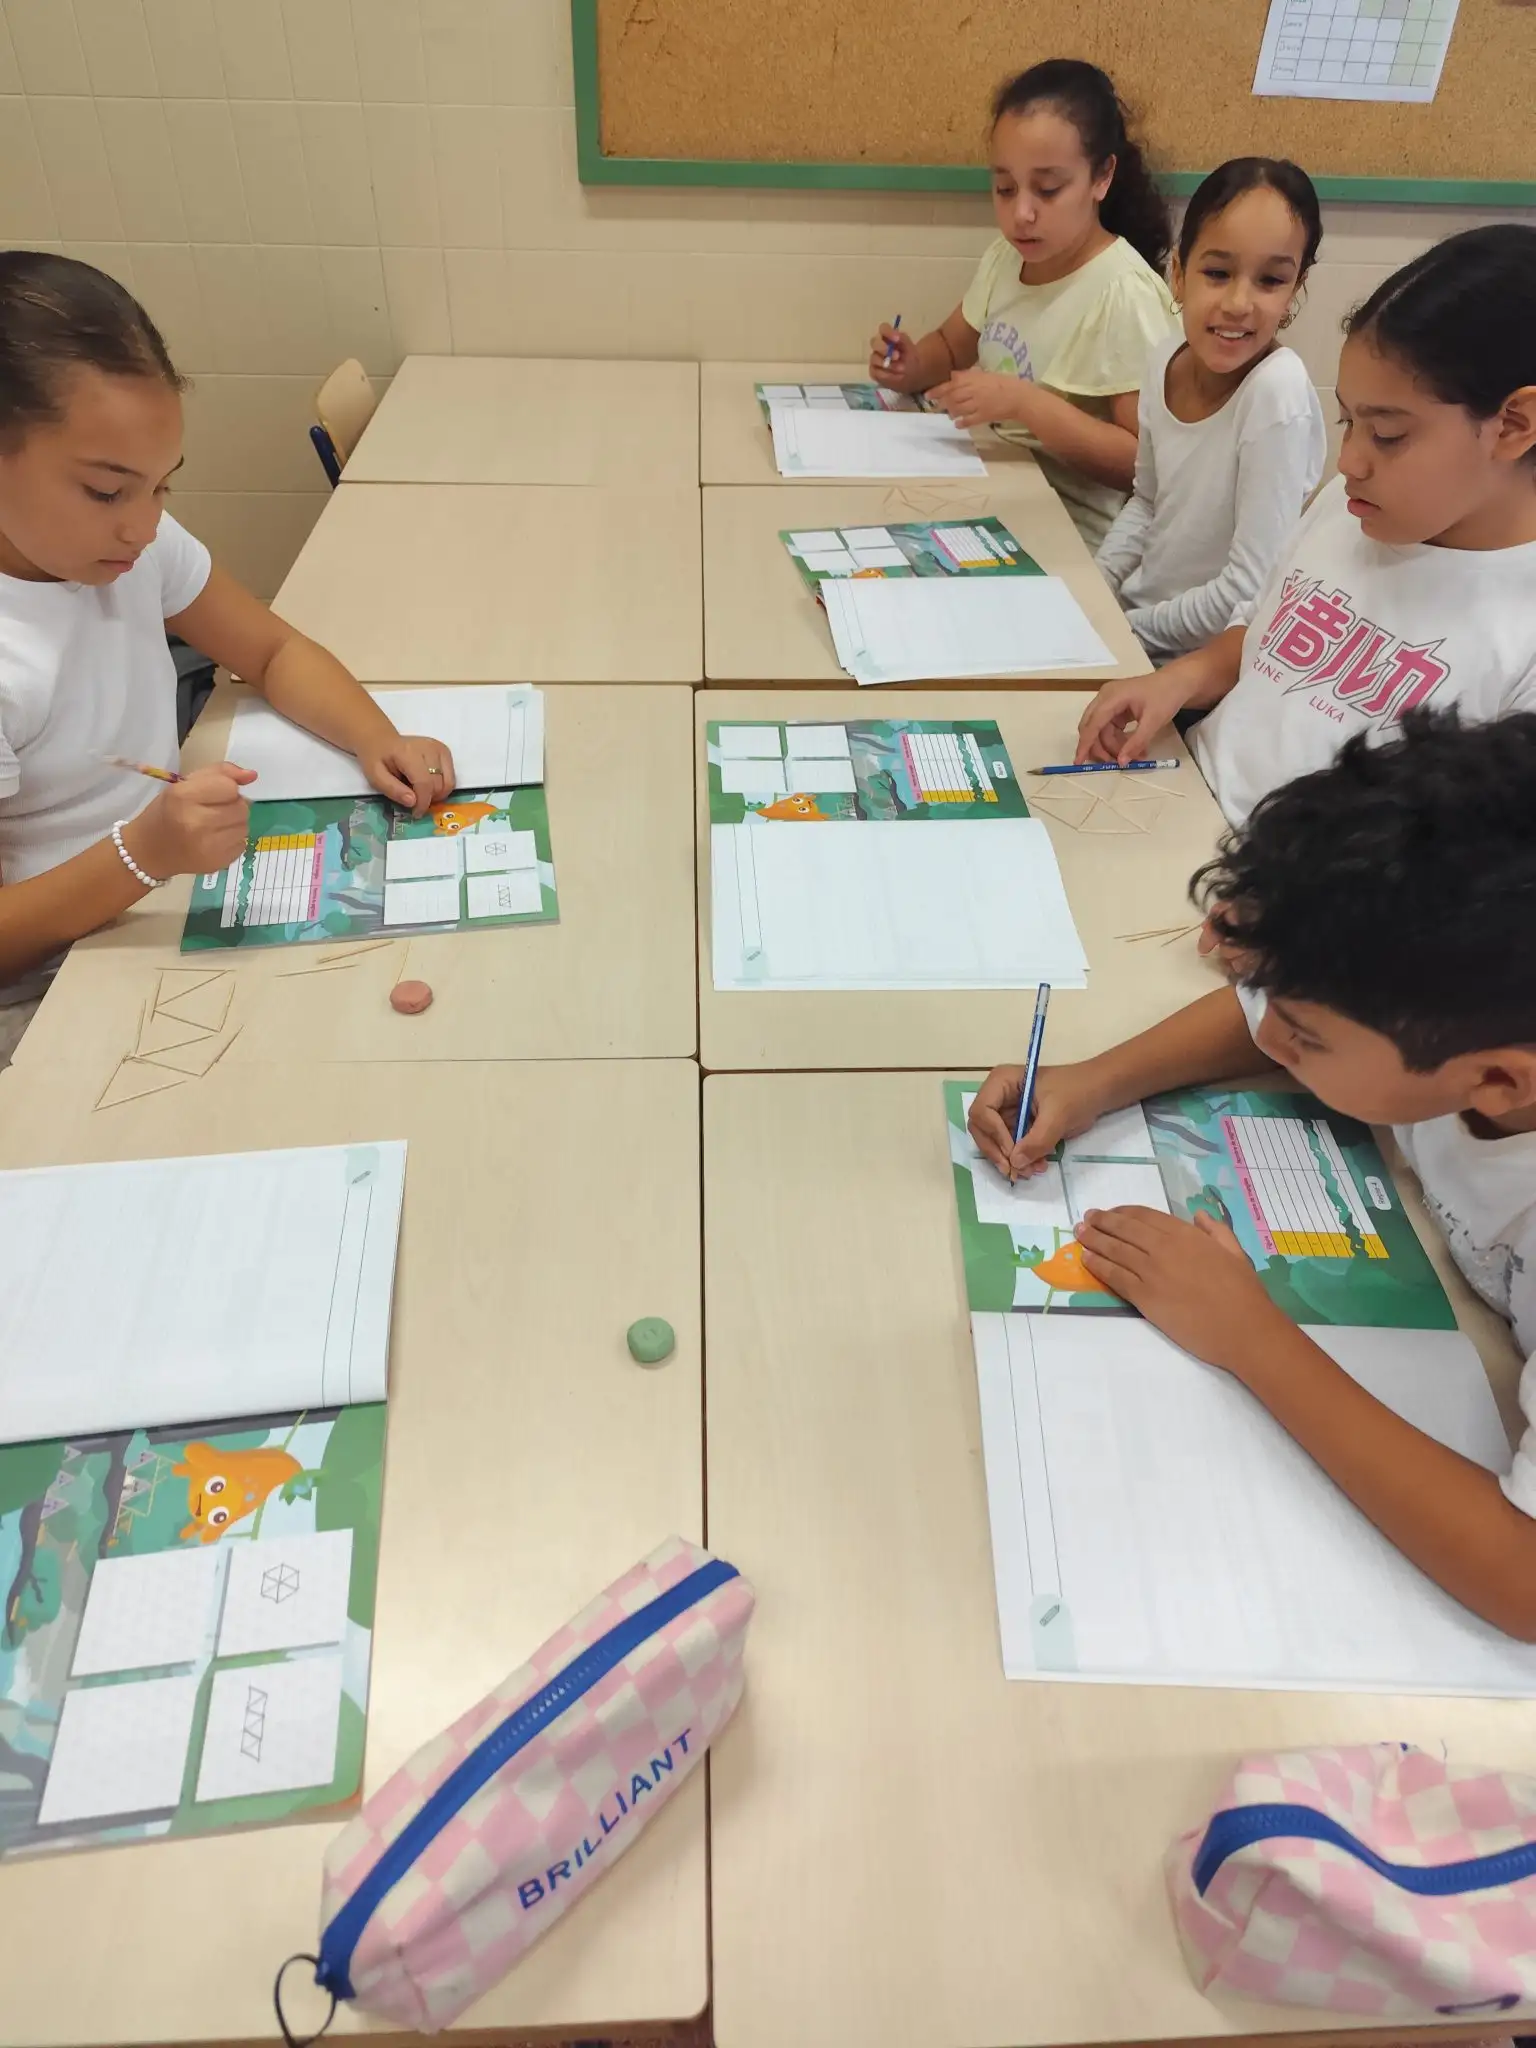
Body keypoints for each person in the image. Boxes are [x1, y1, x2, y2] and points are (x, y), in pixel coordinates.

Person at [968, 713, 1536, 1640]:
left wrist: (1250, 1337)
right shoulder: (1466, 1009)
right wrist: (1096, 1079)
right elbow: (1276, 1015)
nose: (1266, 1033)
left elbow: (1523, 1583)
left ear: (1502, 1082)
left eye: (1301, 1037)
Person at [0, 252, 456, 1065]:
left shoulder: (131, 547)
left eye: (162, 487)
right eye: (106, 491)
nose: (144, 526)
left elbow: (273, 650)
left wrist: (373, 735)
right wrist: (143, 854)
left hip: (159, 898)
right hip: (48, 986)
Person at [1074, 224, 1536, 824]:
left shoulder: (1518, 630)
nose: (1348, 462)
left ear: (1514, 425)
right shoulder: (1350, 502)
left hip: (1296, 877)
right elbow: (1264, 633)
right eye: (1348, 422)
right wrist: (1180, 679)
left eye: (1388, 434)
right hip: (1181, 796)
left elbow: (1471, 866)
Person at [868, 58, 1177, 548]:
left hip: (1065, 531)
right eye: (1005, 189)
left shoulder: (1124, 293)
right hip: (987, 486)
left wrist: (1025, 404)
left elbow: (1145, 466)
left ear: (1102, 177)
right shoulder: (1005, 259)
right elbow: (950, 346)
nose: (1021, 213)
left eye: (1048, 189)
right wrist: (910, 366)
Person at [1095, 157, 1326, 664]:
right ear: (1179, 273)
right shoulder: (1164, 359)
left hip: (1197, 666)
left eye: (1270, 280)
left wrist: (1128, 628)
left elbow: (1247, 590)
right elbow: (1147, 502)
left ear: (1295, 289)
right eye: (1218, 273)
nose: (1239, 302)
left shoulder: (1276, 393)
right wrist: (1097, 589)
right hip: (1138, 631)